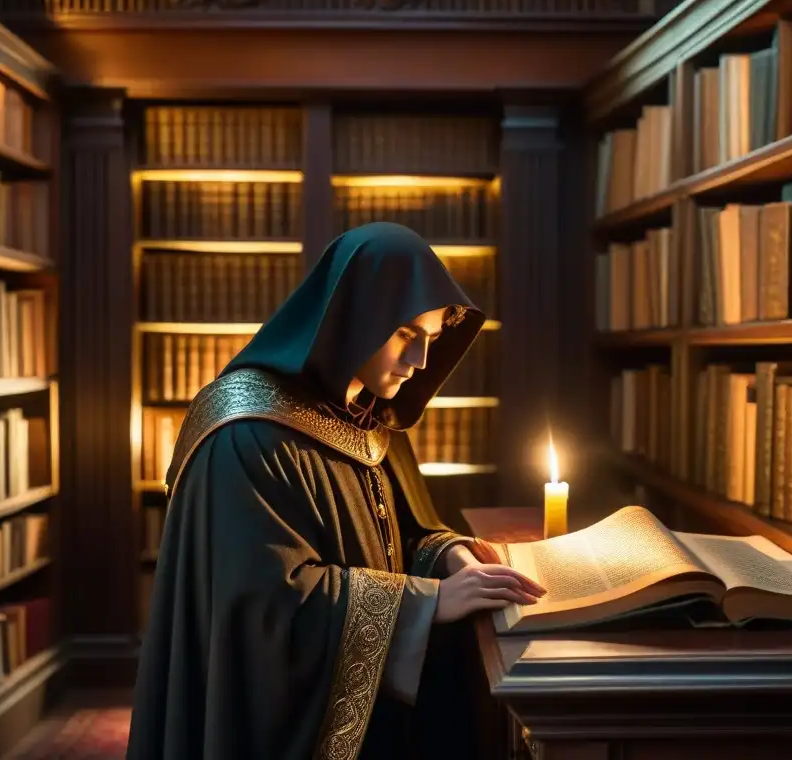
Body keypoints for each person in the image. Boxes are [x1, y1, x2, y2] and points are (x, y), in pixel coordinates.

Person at [126, 221, 546, 760]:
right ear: (356, 317)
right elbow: (268, 613)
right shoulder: (245, 436)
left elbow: (410, 532)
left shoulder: (371, 419)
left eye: (431, 341)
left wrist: (453, 560)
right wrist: (428, 603)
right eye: (405, 335)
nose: (419, 363)